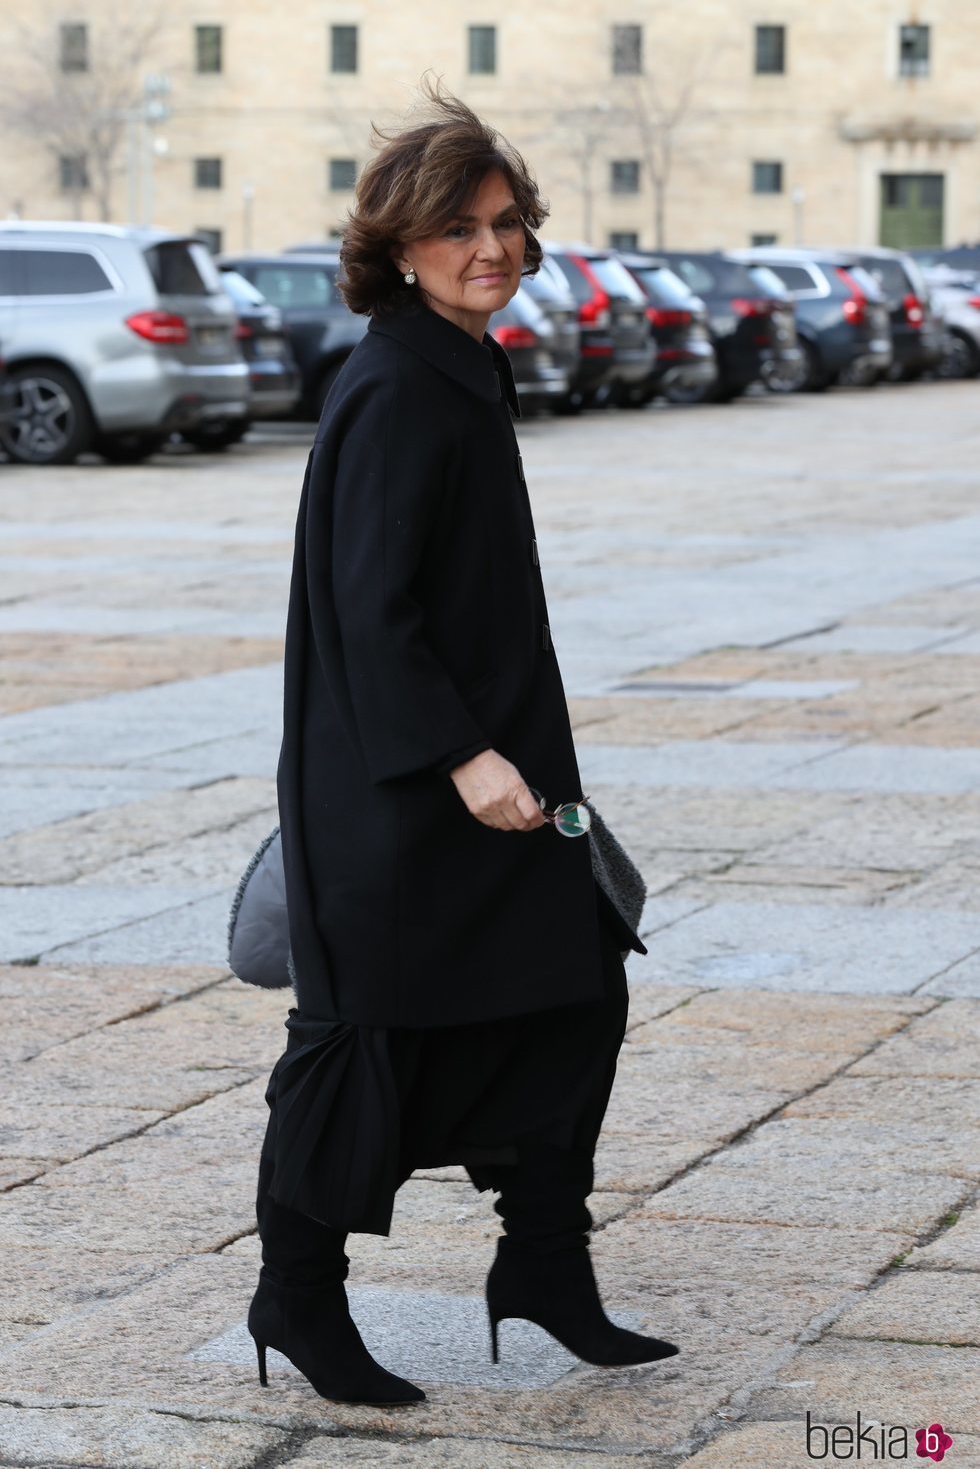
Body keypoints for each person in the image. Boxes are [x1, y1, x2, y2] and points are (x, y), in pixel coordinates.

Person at [248, 83, 679, 1407]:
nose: (490, 248)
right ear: (400, 240)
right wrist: (464, 756)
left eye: (505, 223)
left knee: (579, 982)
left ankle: (543, 1265)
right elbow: (372, 611)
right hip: (405, 797)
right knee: (358, 1043)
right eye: (459, 227)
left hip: (487, 774)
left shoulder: (457, 363)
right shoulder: (395, 383)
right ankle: (299, 1302)